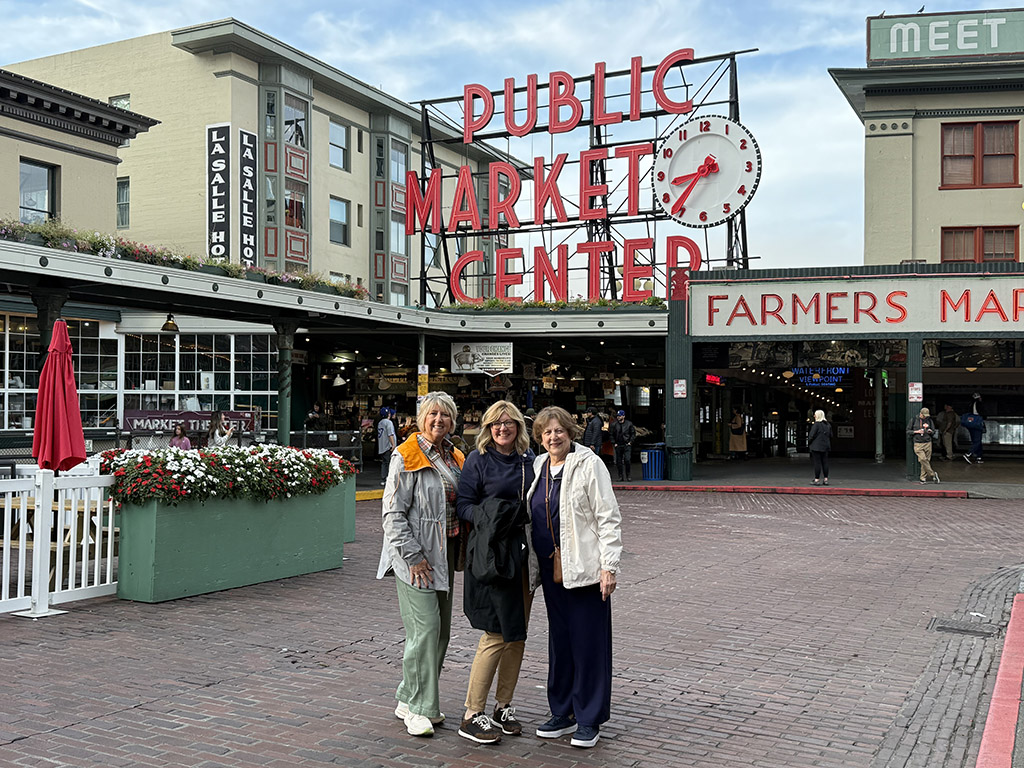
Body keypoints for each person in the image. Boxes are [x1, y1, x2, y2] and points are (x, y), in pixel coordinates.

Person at [526, 406, 622, 749]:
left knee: (588, 644)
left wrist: (609, 566)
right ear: (540, 437)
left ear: (571, 433)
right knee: (560, 641)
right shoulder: (538, 466)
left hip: (584, 569)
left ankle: (589, 717)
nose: (553, 437)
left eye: (559, 431)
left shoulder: (590, 464)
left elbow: (608, 517)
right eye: (547, 432)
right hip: (552, 571)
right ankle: (562, 711)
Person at [376, 391, 465, 738]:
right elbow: (392, 513)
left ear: (453, 422)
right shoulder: (406, 456)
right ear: (420, 419)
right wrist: (413, 555)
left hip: (444, 556)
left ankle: (405, 695)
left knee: (439, 633)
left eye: (445, 415)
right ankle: (419, 707)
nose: (438, 420)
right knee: (425, 630)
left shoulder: (455, 456)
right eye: (432, 414)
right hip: (415, 559)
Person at [455, 400, 536, 745]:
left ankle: (504, 707)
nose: (502, 429)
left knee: (516, 634)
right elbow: (464, 504)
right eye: (495, 424)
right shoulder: (478, 460)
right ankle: (472, 713)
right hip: (491, 557)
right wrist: (493, 520)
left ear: (519, 426)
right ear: (487, 429)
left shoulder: (529, 462)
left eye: (509, 423)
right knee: (495, 634)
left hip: (522, 557)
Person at [908, 407, 940, 484]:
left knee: (926, 460)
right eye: (924, 415)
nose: (925, 417)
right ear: (920, 414)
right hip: (918, 443)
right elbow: (908, 431)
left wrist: (930, 431)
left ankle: (922, 478)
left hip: (927, 442)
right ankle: (932, 474)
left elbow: (933, 431)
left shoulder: (929, 421)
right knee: (922, 459)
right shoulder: (914, 420)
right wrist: (916, 431)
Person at [609, 409, 636, 482]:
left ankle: (628, 475)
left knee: (627, 460)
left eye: (620, 416)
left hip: (626, 444)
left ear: (623, 416)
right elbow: (611, 434)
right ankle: (620, 476)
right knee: (619, 461)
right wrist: (614, 443)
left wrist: (630, 442)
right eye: (618, 416)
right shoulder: (614, 425)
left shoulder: (629, 424)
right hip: (618, 444)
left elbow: (633, 433)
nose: (618, 417)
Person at [807, 410, 831, 485]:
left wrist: (810, 442)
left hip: (816, 446)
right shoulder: (828, 425)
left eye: (815, 415)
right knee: (825, 462)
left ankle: (817, 479)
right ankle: (826, 479)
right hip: (825, 446)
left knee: (817, 463)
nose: (814, 416)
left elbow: (811, 436)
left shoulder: (816, 425)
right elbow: (831, 435)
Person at [962, 393, 985, 464]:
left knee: (975, 440)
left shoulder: (970, 404)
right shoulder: (979, 404)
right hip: (977, 424)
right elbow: (983, 413)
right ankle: (969, 453)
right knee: (977, 441)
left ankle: (979, 456)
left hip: (970, 424)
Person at [377, 406, 397, 486]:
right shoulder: (388, 423)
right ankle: (389, 480)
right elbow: (390, 434)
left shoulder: (380, 422)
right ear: (388, 414)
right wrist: (393, 445)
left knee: (384, 463)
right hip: (388, 446)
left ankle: (383, 479)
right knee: (390, 464)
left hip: (382, 446)